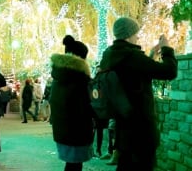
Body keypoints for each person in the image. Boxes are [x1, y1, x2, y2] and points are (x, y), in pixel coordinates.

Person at [99, 17, 177, 171]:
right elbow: (169, 71)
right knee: (142, 166)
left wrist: (150, 56)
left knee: (126, 165)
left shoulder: (110, 55)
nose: (138, 36)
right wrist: (167, 50)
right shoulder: (132, 56)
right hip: (141, 128)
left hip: (123, 127)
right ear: (128, 35)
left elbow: (133, 78)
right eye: (136, 33)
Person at [49, 35, 94, 171]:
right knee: (74, 166)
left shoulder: (59, 75)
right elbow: (86, 105)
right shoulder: (79, 78)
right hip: (77, 130)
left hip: (63, 129)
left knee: (71, 164)